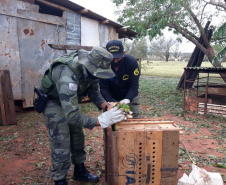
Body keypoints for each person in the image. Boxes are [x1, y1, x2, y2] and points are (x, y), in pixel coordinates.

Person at [38, 46, 126, 185]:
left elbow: (93, 91)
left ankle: (79, 169)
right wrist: (100, 121)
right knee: (61, 140)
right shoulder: (68, 75)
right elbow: (72, 116)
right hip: (53, 102)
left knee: (77, 135)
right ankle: (60, 179)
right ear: (89, 66)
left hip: (69, 100)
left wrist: (107, 106)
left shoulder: (92, 70)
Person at [99, 40, 141, 118]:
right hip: (111, 95)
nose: (115, 61)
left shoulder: (132, 62)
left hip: (129, 94)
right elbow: (104, 87)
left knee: (133, 117)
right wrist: (110, 103)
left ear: (124, 53)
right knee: (110, 120)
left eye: (118, 58)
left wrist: (127, 99)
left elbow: (134, 85)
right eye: (112, 58)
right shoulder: (103, 65)